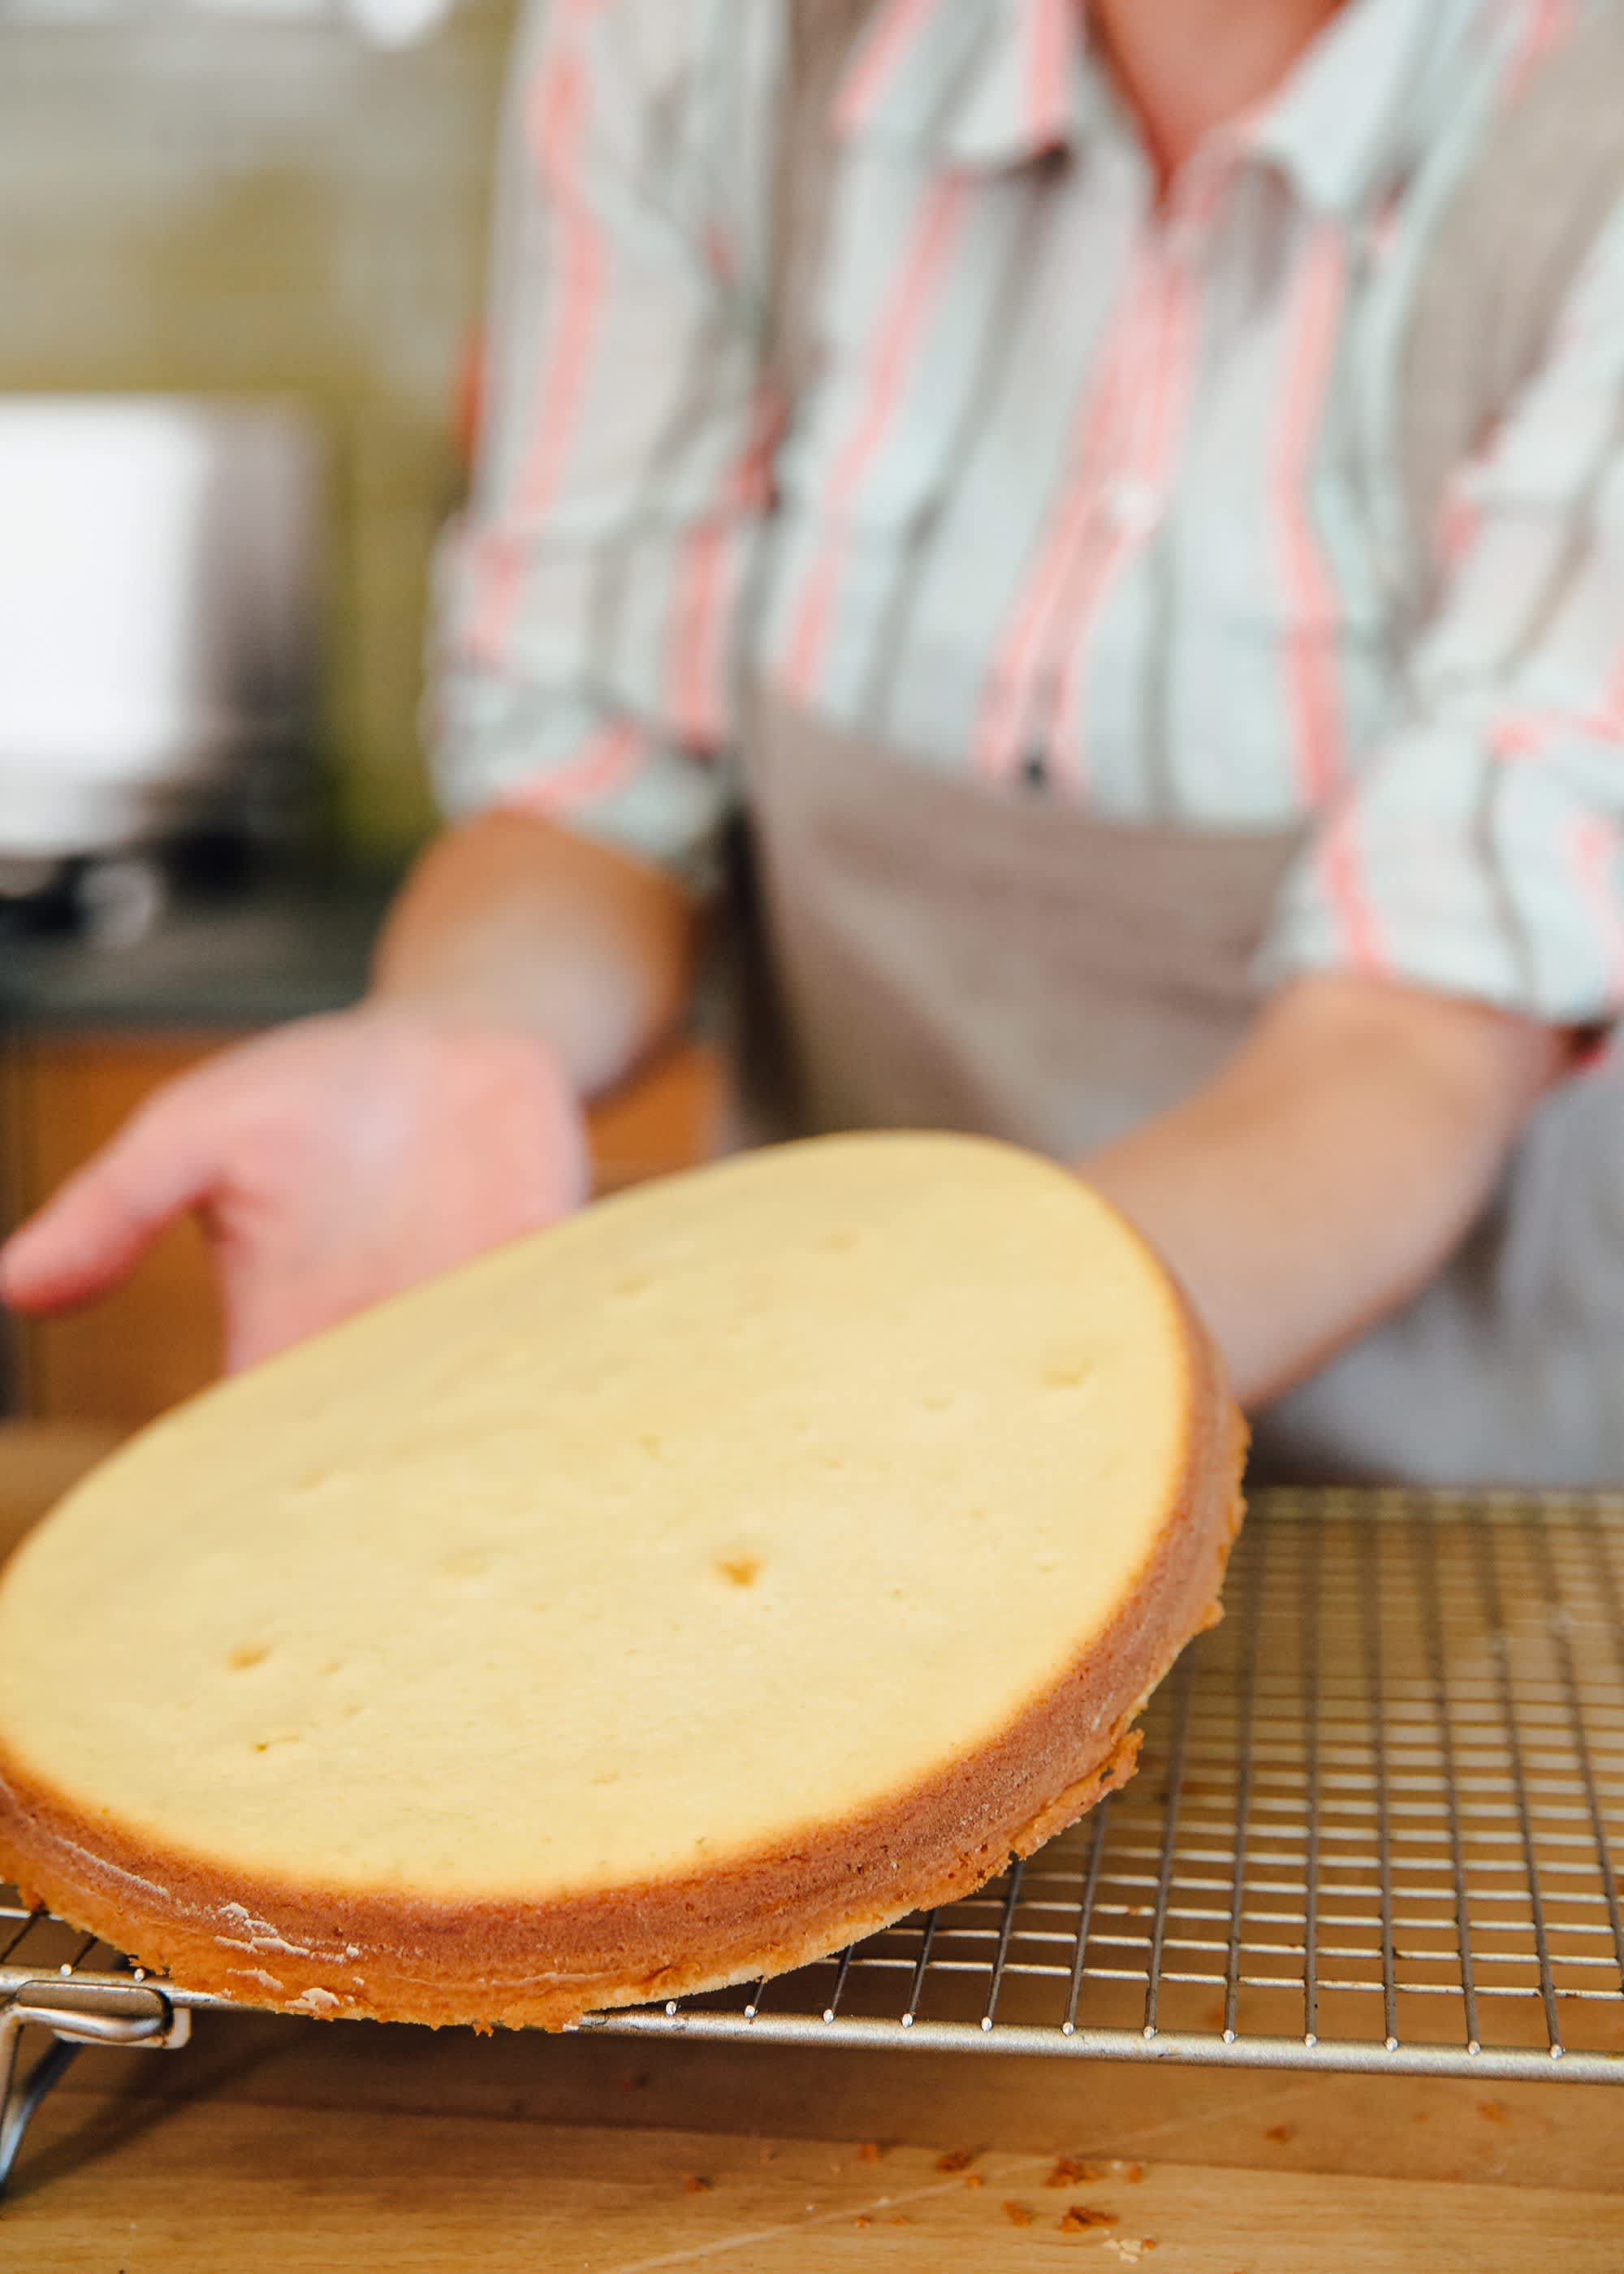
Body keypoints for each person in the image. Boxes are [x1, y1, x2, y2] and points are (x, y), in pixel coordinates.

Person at [6, 0, 1624, 1484]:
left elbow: (1412, 1044)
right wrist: (459, 1028)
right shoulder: (707, 42)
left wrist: (860, 1400)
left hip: (1451, 1510)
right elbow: (593, 794)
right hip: (810, 1464)